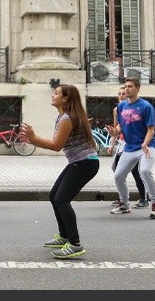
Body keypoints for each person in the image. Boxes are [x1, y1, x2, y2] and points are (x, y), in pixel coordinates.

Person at [20, 84, 100, 259]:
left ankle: (75, 244)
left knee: (62, 199)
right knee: (54, 195)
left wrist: (33, 138)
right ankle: (64, 236)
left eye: (56, 93)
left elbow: (56, 146)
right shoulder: (66, 116)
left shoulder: (66, 118)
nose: (52, 95)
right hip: (81, 162)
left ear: (65, 98)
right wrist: (33, 140)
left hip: (85, 163)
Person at [106, 76, 155, 219]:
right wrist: (115, 132)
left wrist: (145, 143)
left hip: (148, 145)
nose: (127, 89)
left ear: (137, 88)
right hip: (130, 147)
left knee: (144, 170)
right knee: (118, 175)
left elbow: (150, 129)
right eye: (125, 87)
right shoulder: (121, 107)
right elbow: (121, 126)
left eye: (130, 86)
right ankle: (124, 204)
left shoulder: (146, 107)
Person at [106, 85, 147, 208]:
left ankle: (143, 198)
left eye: (123, 94)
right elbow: (115, 129)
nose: (121, 96)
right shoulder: (117, 109)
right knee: (117, 169)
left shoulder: (137, 108)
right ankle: (122, 196)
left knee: (136, 171)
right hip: (123, 144)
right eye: (119, 94)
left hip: (134, 144)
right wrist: (112, 144)